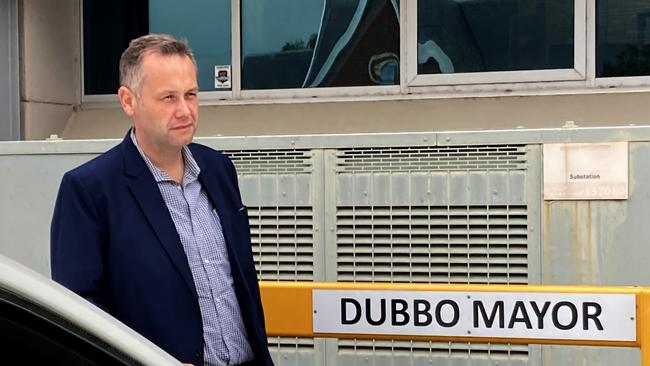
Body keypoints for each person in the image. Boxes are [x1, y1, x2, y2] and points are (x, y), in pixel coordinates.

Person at [50, 34, 273, 366]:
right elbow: (78, 314)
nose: (185, 110)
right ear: (128, 101)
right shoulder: (89, 191)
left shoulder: (219, 170)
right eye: (168, 97)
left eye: (191, 95)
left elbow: (241, 282)